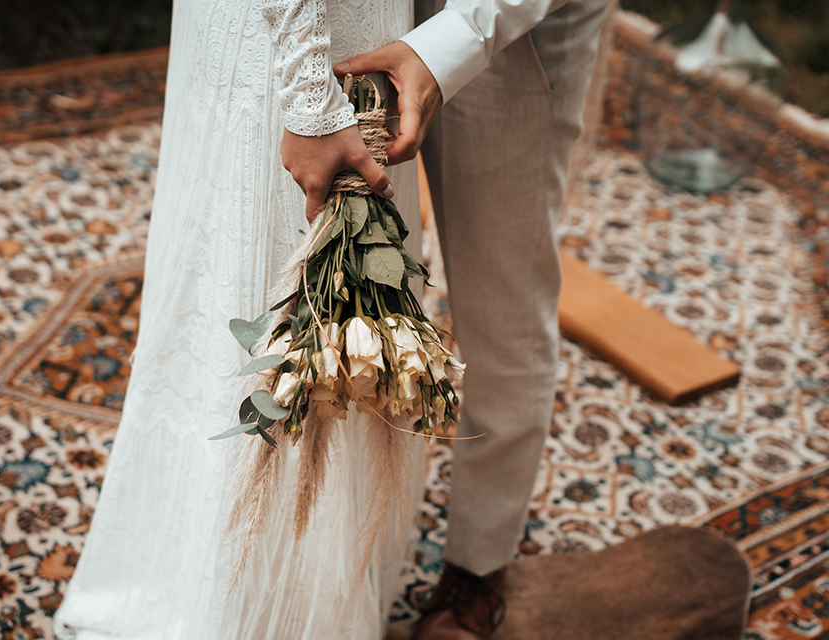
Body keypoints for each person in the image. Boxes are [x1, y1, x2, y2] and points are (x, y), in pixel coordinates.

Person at [53, 0, 608, 638]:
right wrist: (312, 93)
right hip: (349, 20)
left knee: (502, 297)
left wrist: (453, 39)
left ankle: (476, 573)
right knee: (283, 274)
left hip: (511, 29)